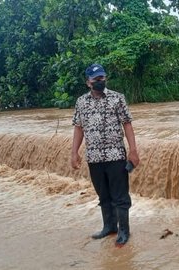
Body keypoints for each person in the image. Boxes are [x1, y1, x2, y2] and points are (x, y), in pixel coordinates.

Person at [71, 63, 140, 247]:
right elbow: (79, 128)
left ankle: (124, 231)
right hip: (94, 157)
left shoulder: (117, 98)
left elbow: (127, 124)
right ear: (88, 82)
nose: (100, 81)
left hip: (115, 155)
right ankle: (109, 227)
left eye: (102, 78)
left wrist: (133, 150)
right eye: (96, 79)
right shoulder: (81, 102)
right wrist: (74, 153)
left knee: (120, 197)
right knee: (103, 195)